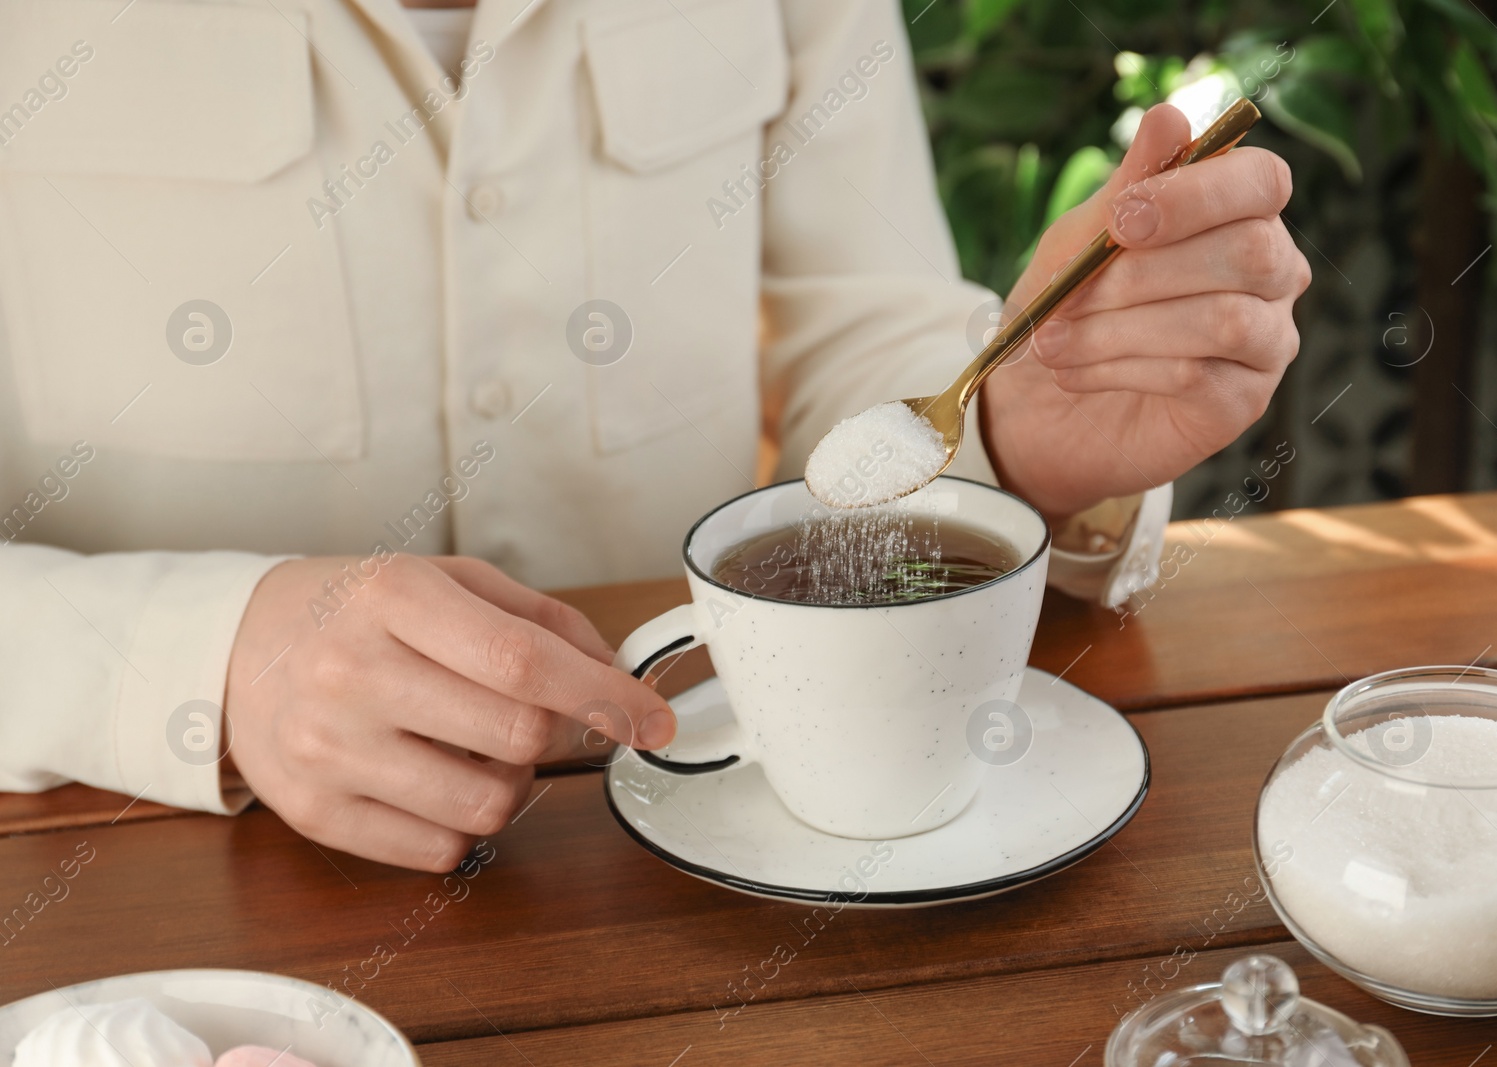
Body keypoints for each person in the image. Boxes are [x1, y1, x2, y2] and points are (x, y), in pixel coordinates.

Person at [0, 0, 1309, 871]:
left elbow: (859, 325)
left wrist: (1017, 435)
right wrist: (213, 661)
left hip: (695, 856)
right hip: (139, 861)